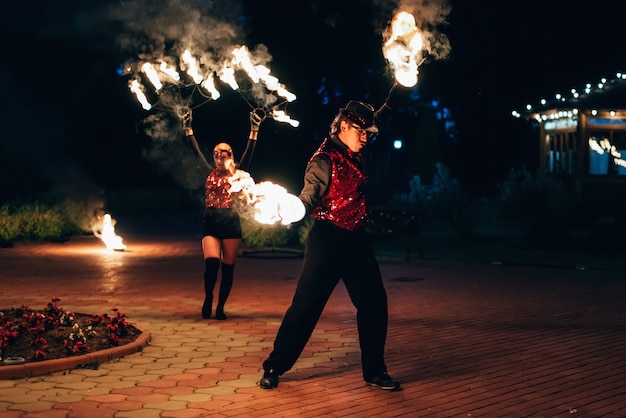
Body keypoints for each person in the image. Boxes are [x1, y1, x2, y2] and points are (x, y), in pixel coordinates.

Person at [259, 100, 401, 391]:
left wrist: (389, 104)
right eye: (361, 131)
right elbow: (309, 196)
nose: (366, 137)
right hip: (328, 238)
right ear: (344, 126)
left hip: (356, 239)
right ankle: (275, 365)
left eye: (368, 132)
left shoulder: (355, 143)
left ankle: (374, 371)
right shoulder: (323, 160)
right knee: (306, 306)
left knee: (374, 304)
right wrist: (292, 209)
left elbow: (376, 121)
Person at [184, 110, 262, 320]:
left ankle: (221, 307)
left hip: (231, 224)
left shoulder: (239, 175)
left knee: (228, 269)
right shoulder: (207, 173)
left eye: (224, 153)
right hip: (211, 223)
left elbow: (250, 152)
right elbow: (195, 151)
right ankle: (208, 297)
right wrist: (188, 128)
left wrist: (254, 129)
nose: (219, 157)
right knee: (211, 265)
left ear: (231, 156)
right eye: (216, 154)